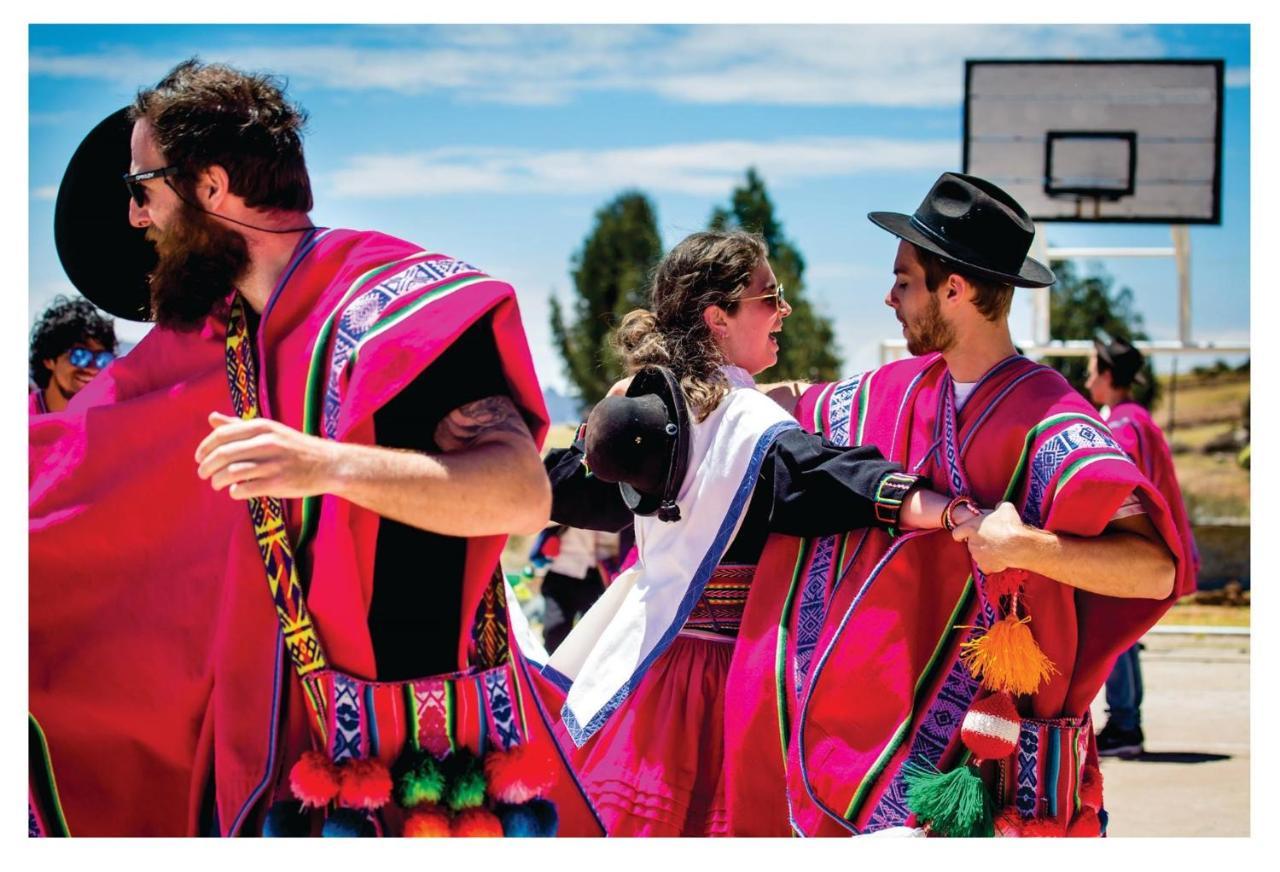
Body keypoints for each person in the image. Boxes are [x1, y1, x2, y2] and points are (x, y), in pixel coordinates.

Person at [29, 59, 599, 837]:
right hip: (296, 763)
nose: (137, 218)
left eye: (142, 189)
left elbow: (520, 494)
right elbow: (77, 462)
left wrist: (325, 464)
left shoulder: (405, 308)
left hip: (441, 776)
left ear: (211, 187)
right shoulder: (231, 338)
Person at [725, 173, 1184, 836]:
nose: (889, 297)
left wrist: (1025, 546)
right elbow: (795, 402)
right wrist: (687, 391)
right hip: (888, 740)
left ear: (954, 289)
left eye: (904, 280)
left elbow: (1155, 571)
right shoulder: (897, 389)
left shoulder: (1054, 419)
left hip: (1001, 759)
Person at [536, 229, 957, 836]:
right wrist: (949, 511)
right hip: (718, 679)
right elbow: (825, 479)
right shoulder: (745, 420)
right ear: (718, 317)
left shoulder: (660, 411)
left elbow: (568, 488)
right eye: (770, 295)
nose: (783, 310)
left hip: (645, 663)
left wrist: (605, 418)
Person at [1086, 337, 1201, 757]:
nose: (1087, 377)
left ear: (1109, 375)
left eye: (1093, 369)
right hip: (1149, 548)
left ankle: (1125, 724)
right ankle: (1126, 722)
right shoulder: (1137, 418)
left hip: (1131, 548)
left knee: (1116, 633)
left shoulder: (1121, 426)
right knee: (1126, 638)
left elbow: (1115, 488)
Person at [536, 525, 620, 653]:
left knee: (592, 634)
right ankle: (549, 670)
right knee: (555, 630)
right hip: (561, 571)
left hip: (598, 576)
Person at [28, 294, 117, 414]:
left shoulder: (107, 421)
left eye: (103, 359)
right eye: (80, 356)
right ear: (49, 360)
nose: (92, 369)